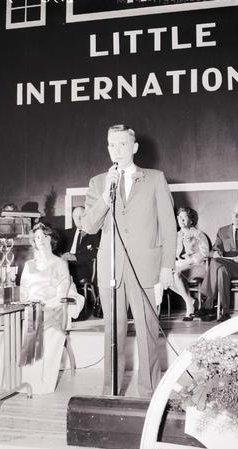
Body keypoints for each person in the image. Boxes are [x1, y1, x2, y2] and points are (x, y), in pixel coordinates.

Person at [81, 124, 177, 398]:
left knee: (148, 334)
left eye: (123, 144)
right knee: (113, 334)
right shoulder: (98, 182)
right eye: (112, 145)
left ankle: (148, 393)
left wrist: (167, 267)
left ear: (134, 148)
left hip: (146, 268)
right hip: (111, 270)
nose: (117, 150)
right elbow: (88, 225)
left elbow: (169, 227)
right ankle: (110, 393)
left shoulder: (155, 178)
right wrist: (105, 195)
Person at [0, 222, 84, 399]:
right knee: (5, 331)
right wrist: (24, 305)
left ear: (52, 240)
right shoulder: (29, 265)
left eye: (45, 236)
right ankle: (2, 383)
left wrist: (40, 306)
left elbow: (61, 295)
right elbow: (24, 292)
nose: (40, 239)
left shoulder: (60, 264)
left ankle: (29, 383)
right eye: (37, 237)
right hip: (29, 310)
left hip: (51, 311)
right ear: (33, 241)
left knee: (28, 326)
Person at [169, 207, 209, 321]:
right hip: (180, 265)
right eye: (180, 217)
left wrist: (188, 260)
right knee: (165, 277)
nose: (181, 220)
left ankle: (189, 307)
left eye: (184, 217)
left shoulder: (199, 234)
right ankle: (191, 300)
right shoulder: (175, 236)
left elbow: (204, 254)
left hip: (197, 266)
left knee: (177, 274)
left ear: (191, 220)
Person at [62, 206, 100, 288]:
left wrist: (75, 257)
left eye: (81, 216)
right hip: (65, 266)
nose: (78, 219)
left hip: (83, 268)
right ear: (73, 218)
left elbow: (96, 252)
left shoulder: (94, 233)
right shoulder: (66, 233)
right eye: (75, 216)